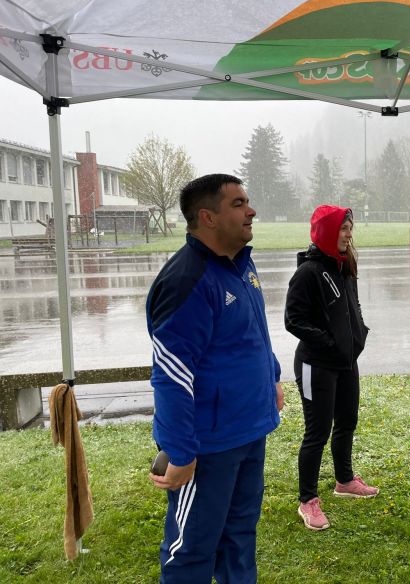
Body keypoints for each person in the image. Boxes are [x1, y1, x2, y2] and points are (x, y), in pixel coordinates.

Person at [146, 174, 283, 583]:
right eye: (238, 204)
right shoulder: (186, 280)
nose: (251, 211)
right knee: (192, 549)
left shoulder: (241, 263)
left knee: (239, 538)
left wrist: (273, 378)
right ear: (207, 217)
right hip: (207, 446)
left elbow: (253, 333)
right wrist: (181, 452)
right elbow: (171, 375)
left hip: (249, 430)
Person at [285, 205, 376, 531]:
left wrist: (358, 334)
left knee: (347, 422)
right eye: (343, 229)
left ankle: (345, 481)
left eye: (350, 228)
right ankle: (307, 500)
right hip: (316, 364)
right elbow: (293, 320)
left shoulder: (344, 264)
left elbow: (353, 306)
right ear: (326, 232)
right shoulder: (308, 273)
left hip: (345, 361)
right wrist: (328, 342)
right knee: (318, 432)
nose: (349, 235)